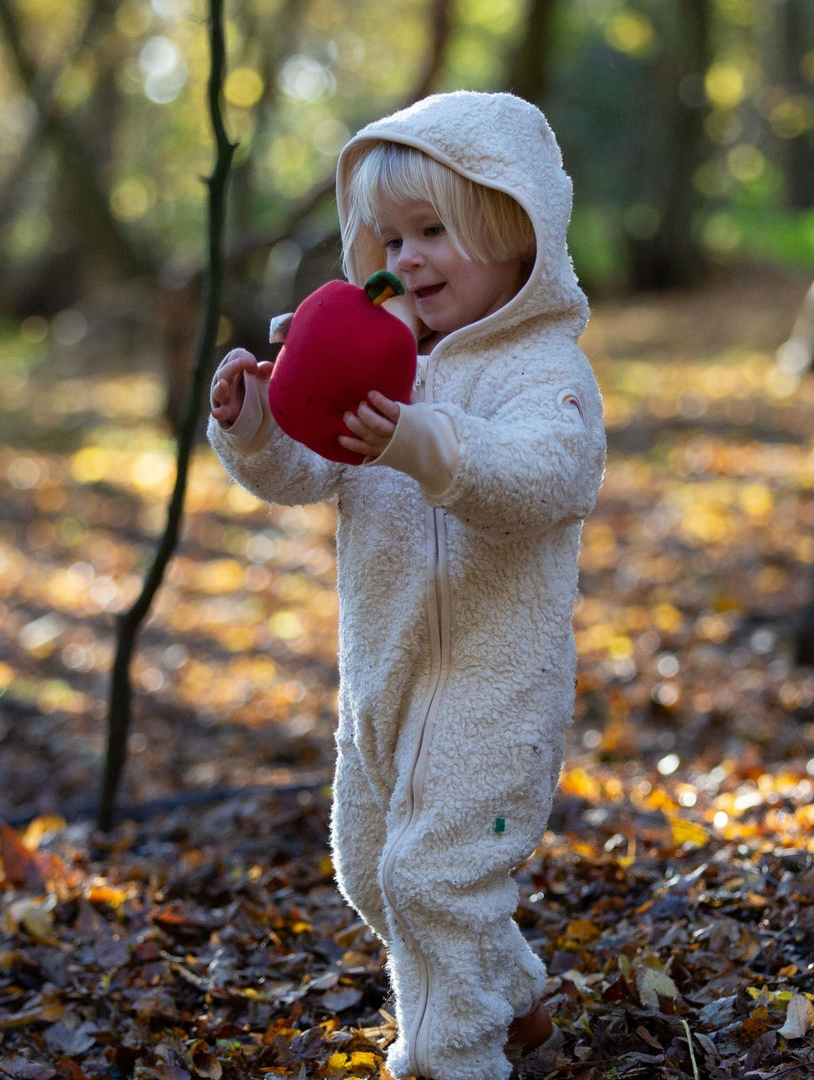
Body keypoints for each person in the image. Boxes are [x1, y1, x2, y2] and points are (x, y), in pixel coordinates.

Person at [208, 90, 606, 1080]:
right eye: (389, 235)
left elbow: (547, 476)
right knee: (371, 869)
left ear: (514, 230)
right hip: (383, 680)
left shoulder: (543, 369)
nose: (407, 257)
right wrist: (258, 424)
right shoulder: (377, 360)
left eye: (433, 231)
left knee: (432, 876)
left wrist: (421, 441)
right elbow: (309, 472)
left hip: (490, 689)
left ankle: (447, 1057)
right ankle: (511, 999)